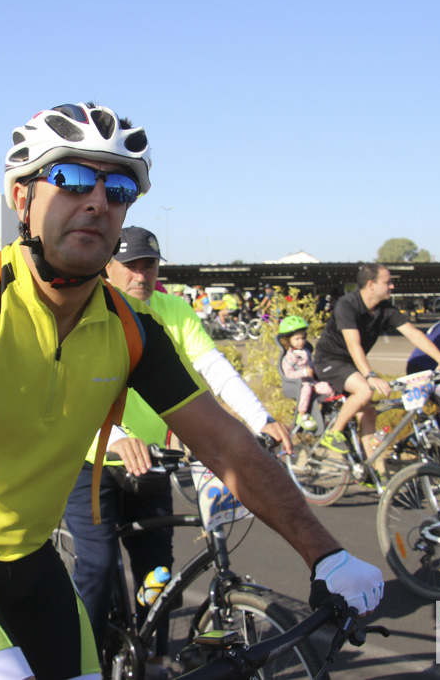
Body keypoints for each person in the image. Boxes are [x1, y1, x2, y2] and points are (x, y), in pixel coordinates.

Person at [0, 102, 382, 680]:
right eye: (68, 179)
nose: (96, 201)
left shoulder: (132, 330)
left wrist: (326, 553)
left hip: (28, 554)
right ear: (22, 198)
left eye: (117, 188)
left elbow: (229, 448)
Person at [63, 226, 293, 661]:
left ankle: (150, 657)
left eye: (149, 264)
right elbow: (67, 392)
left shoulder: (174, 311)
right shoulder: (87, 309)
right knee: (95, 567)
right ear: (107, 266)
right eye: (130, 265)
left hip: (153, 466)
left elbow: (215, 367)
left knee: (158, 575)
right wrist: (114, 437)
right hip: (93, 464)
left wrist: (261, 418)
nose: (141, 274)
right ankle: (83, 664)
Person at [312, 263, 440, 455]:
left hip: (353, 366)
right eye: (387, 282)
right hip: (331, 361)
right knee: (364, 392)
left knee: (370, 413)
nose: (392, 286)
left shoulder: (385, 309)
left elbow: (414, 334)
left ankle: (372, 472)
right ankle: (333, 432)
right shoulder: (347, 305)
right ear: (371, 285)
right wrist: (370, 375)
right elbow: (353, 345)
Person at [278, 315, 334, 431]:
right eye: (297, 339)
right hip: (300, 384)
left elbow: (311, 365)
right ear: (288, 340)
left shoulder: (305, 351)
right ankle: (302, 415)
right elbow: (288, 375)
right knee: (307, 389)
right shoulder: (289, 357)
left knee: (327, 388)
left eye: (303, 338)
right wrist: (304, 372)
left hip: (311, 381)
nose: (301, 341)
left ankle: (327, 412)